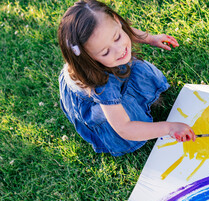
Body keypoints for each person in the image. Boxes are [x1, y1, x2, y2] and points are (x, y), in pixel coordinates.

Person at [57, 0, 196, 156]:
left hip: (112, 66)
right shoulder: (102, 86)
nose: (119, 50)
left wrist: (149, 38)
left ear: (117, 20)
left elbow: (118, 32)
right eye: (105, 52)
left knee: (131, 67)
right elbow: (124, 128)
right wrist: (169, 128)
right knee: (120, 111)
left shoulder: (109, 36)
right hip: (100, 101)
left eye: (117, 38)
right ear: (89, 59)